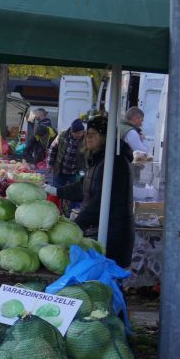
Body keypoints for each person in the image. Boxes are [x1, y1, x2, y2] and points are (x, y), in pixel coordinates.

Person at [56, 115, 135, 268]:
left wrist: (74, 227)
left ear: (107, 137)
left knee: (107, 283)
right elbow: (84, 187)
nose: (89, 137)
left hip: (113, 236)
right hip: (103, 231)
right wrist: (56, 191)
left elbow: (100, 203)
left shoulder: (115, 162)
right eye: (88, 133)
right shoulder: (99, 160)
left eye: (94, 134)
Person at [50, 118, 87, 193]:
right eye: (77, 133)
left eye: (81, 132)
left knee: (75, 193)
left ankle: (72, 205)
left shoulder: (86, 139)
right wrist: (50, 164)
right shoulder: (62, 135)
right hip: (60, 170)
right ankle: (57, 204)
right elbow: (53, 148)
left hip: (75, 173)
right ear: (72, 132)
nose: (79, 135)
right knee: (57, 191)